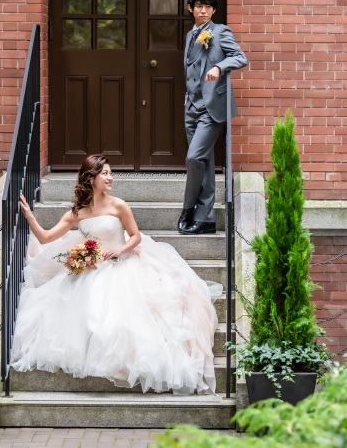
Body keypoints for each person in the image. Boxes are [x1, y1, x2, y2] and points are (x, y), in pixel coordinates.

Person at [12, 154, 221, 395]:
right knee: (80, 313)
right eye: (105, 174)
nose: (111, 177)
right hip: (92, 268)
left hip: (124, 264)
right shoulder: (77, 212)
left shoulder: (118, 205)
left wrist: (120, 250)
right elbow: (46, 238)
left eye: (111, 173)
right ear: (91, 178)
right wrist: (29, 216)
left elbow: (135, 236)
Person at [177, 0, 248, 235]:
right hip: (192, 108)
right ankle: (205, 218)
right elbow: (190, 71)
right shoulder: (189, 36)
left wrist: (219, 66)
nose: (203, 10)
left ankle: (187, 209)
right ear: (191, 8)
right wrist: (188, 96)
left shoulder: (220, 32)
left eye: (208, 6)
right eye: (199, 6)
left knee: (195, 157)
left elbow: (240, 57)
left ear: (213, 10)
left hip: (211, 108)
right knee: (204, 162)